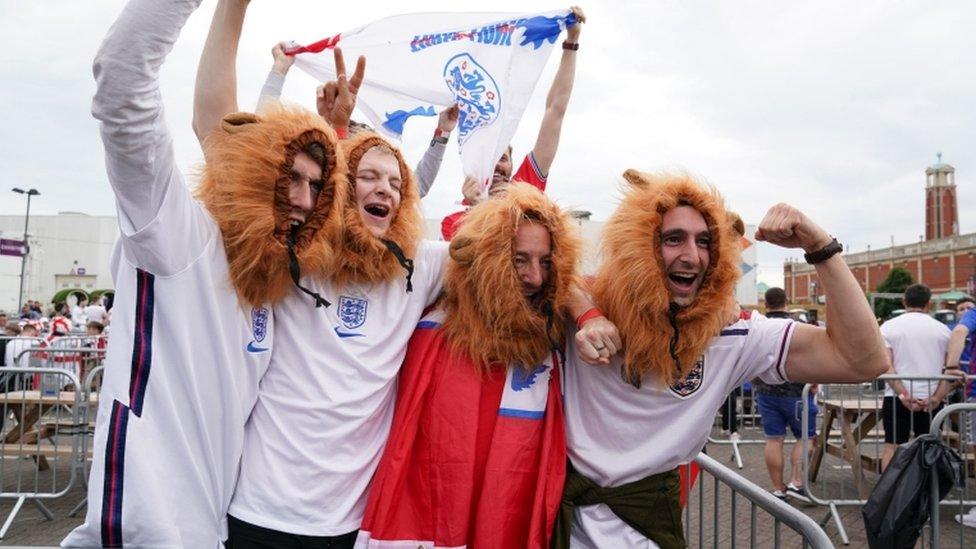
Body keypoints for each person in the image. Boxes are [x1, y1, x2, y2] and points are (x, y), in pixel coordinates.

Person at [62, 0, 347, 546]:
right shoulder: (174, 233)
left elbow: (263, 153)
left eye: (316, 188)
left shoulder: (270, 285)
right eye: (290, 179)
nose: (304, 200)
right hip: (142, 532)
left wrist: (331, 128)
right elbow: (121, 80)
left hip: (214, 530)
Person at [554, 171, 890, 547]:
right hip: (553, 525)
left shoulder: (734, 334)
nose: (692, 255)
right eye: (672, 239)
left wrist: (821, 246)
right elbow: (531, 268)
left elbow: (863, 360)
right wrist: (585, 313)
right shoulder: (586, 312)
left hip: (648, 532)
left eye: (705, 241)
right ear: (638, 247)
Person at [357, 183, 588, 548]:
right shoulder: (435, 332)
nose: (536, 277)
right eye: (519, 260)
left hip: (515, 515)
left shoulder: (553, 333)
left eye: (546, 262)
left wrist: (589, 314)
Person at [440, 7, 585, 240]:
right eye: (490, 157)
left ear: (512, 165)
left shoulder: (525, 189)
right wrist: (480, 208)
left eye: (503, 158)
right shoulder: (453, 220)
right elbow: (476, 272)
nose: (497, 166)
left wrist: (572, 42)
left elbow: (555, 110)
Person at [256, 40, 460, 199]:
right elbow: (259, 148)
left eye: (394, 183)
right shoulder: (311, 206)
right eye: (368, 176)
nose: (384, 190)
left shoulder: (393, 237)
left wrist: (443, 132)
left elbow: (417, 187)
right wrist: (279, 70)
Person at [753, 286, 818, 500]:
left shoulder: (757, 328)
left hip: (766, 392)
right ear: (786, 303)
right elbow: (811, 358)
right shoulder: (798, 327)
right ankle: (796, 482)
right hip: (797, 392)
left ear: (766, 304)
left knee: (774, 440)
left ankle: (777, 487)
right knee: (805, 438)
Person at [879, 284, 952, 470]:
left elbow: (887, 366)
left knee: (892, 446)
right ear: (928, 304)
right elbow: (950, 369)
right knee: (928, 449)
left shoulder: (887, 328)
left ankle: (890, 493)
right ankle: (926, 493)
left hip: (896, 396)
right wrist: (936, 398)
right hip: (931, 397)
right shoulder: (944, 330)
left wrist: (903, 394)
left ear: (904, 301)